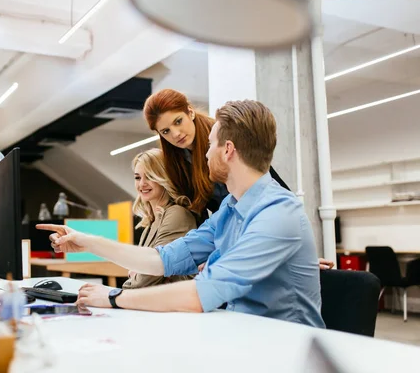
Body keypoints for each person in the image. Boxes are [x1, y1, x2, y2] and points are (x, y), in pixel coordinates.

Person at [38, 100, 325, 328]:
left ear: (227, 150)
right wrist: (87, 241)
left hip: (285, 349)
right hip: (241, 333)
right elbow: (163, 259)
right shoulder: (230, 208)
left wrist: (113, 297)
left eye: (210, 144)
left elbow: (200, 295)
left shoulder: (277, 213)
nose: (204, 154)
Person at [143, 89, 334, 271]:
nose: (176, 134)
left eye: (178, 121)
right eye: (166, 131)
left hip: (257, 230)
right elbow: (200, 219)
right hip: (228, 233)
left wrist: (299, 255)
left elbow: (274, 192)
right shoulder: (178, 162)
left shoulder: (223, 137)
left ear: (190, 112)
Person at [122, 148, 196, 289]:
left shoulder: (177, 214)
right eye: (138, 177)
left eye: (149, 176)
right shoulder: (151, 221)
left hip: (177, 304)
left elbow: (147, 277)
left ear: (164, 178)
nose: (142, 184)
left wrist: (134, 277)